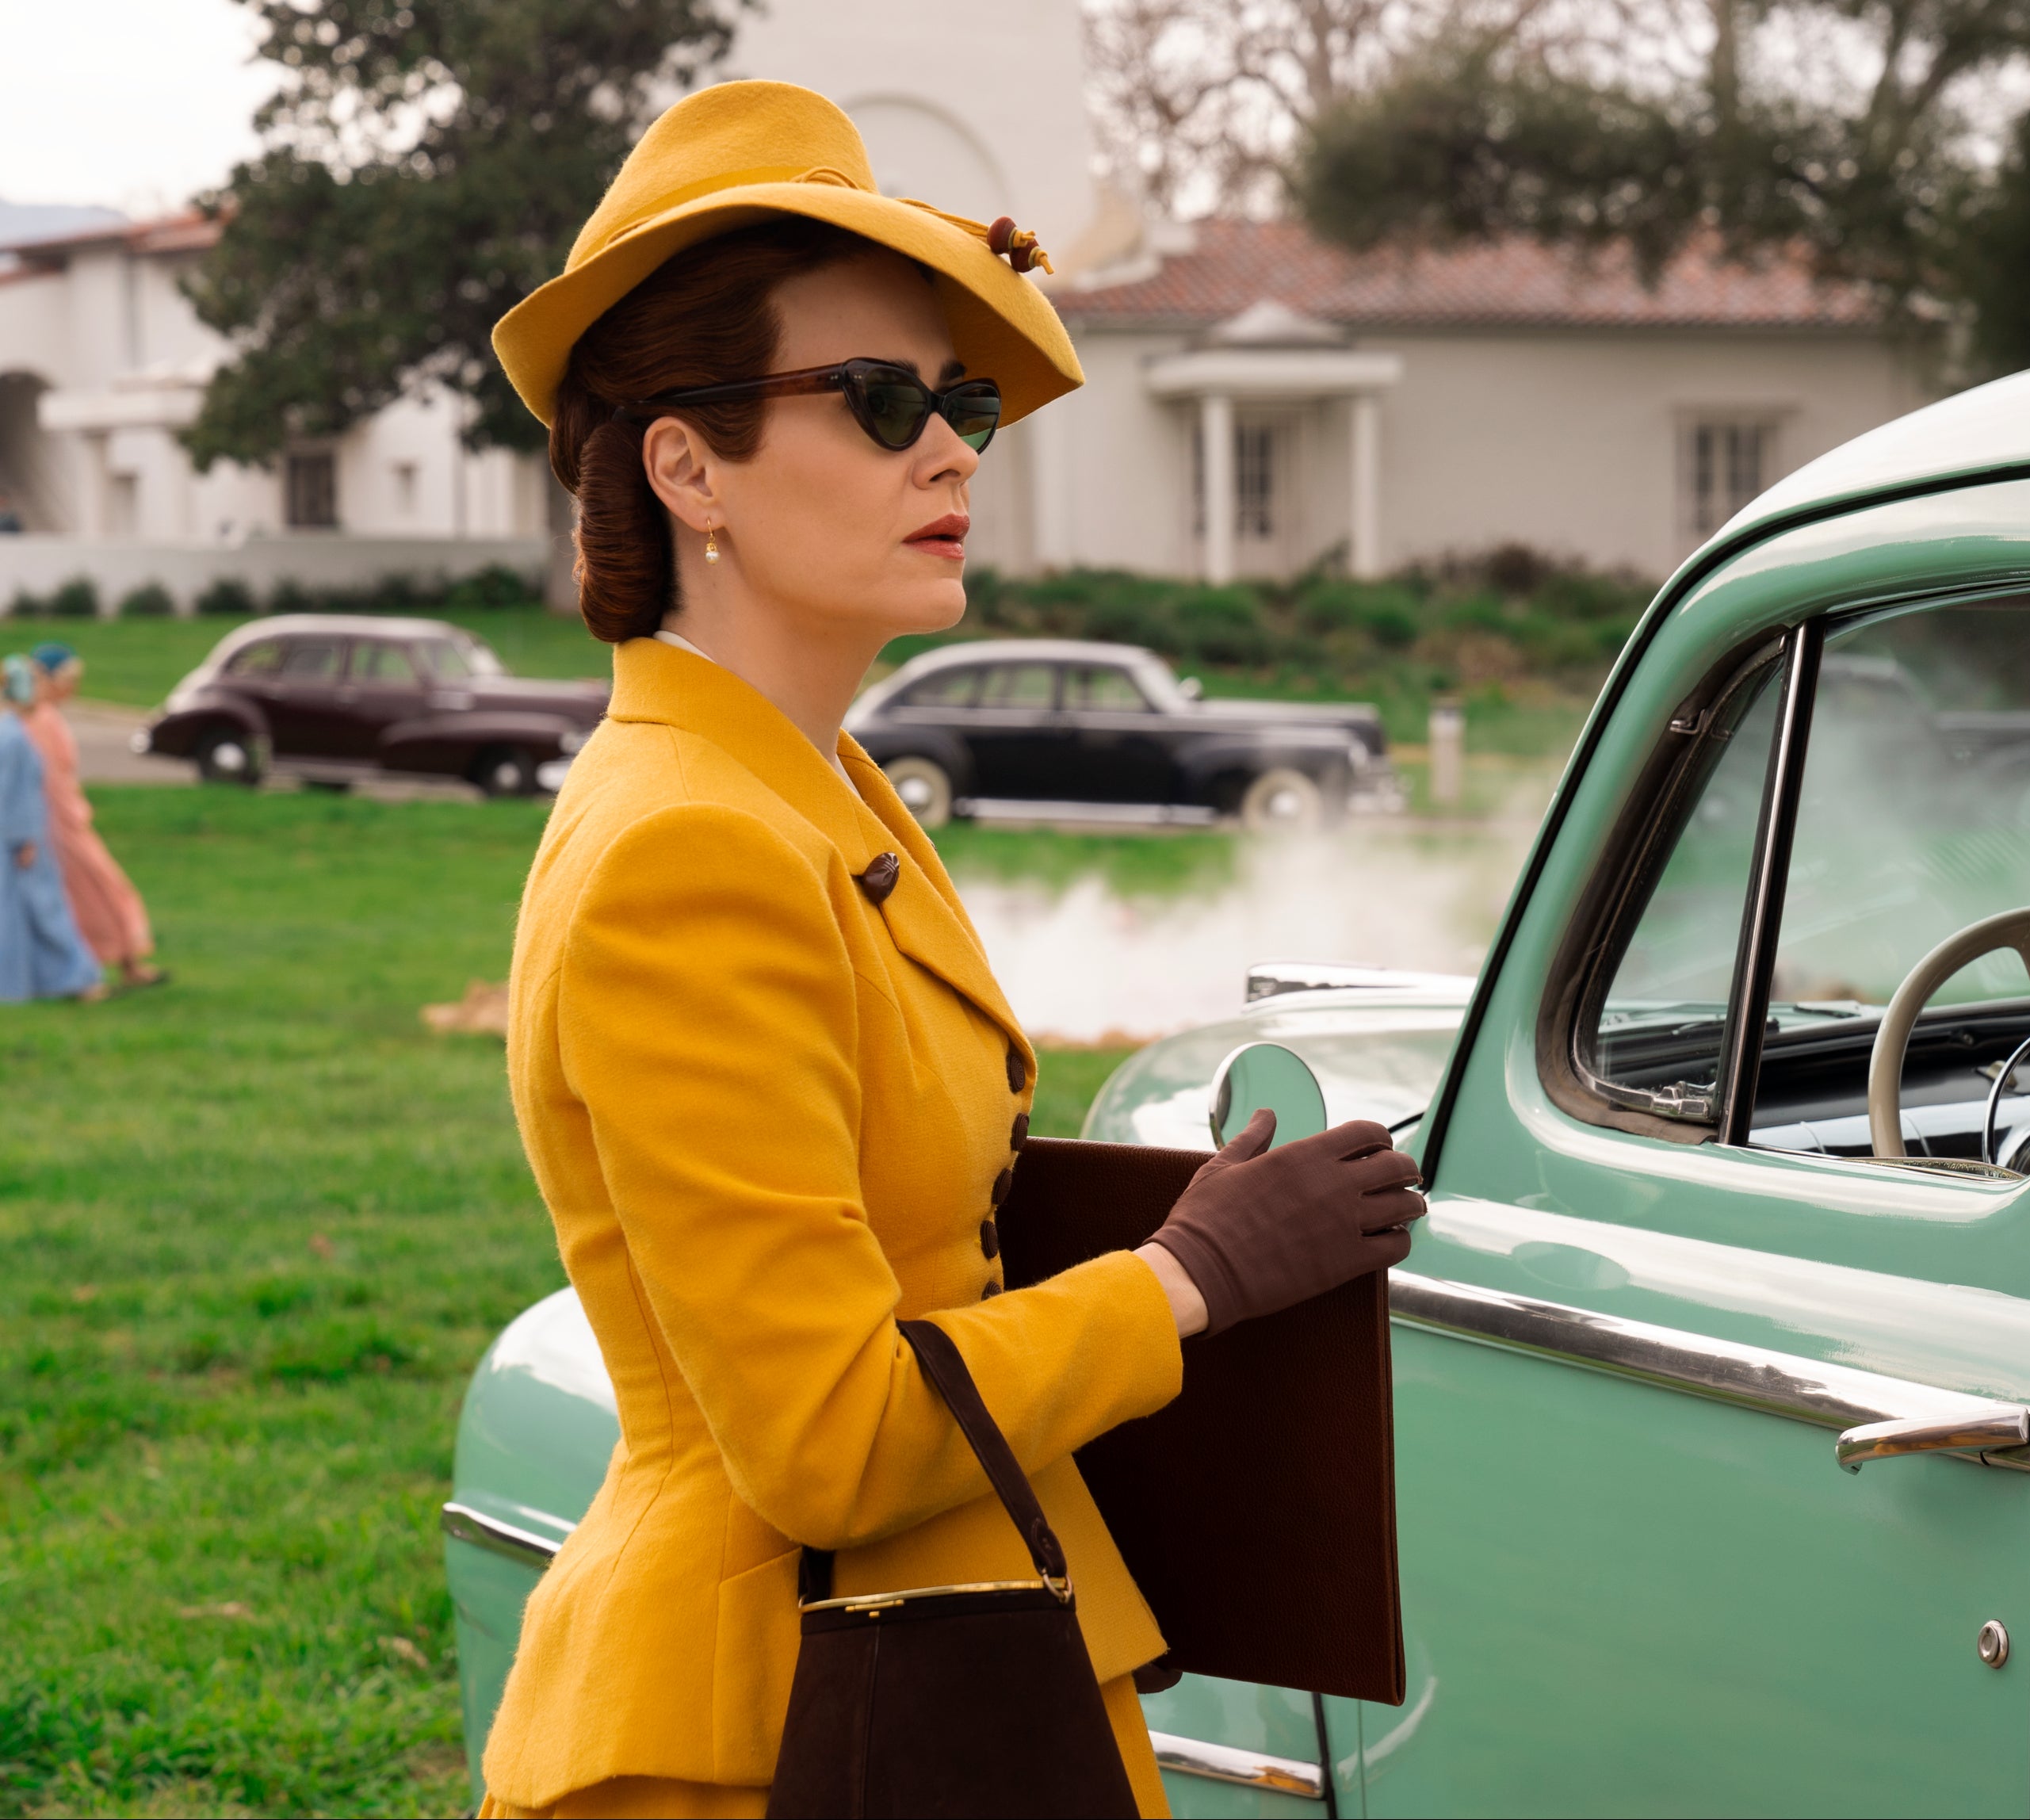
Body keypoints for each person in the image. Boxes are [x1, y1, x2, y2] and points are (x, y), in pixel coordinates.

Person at [476, 82, 1425, 1820]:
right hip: (773, 1724)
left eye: (963, 399)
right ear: (687, 463)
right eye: (882, 399)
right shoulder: (689, 840)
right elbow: (826, 1431)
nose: (953, 450)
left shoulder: (799, 781)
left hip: (944, 1653)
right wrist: (1194, 1274)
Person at [25, 644, 164, 989]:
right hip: (57, 825)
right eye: (70, 679)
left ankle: (122, 964)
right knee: (98, 891)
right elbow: (43, 782)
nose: (75, 687)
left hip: (66, 820)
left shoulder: (46, 717)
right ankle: (101, 969)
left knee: (100, 890)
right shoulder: (38, 720)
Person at [0, 656, 102, 1003]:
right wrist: (23, 837)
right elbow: (13, 793)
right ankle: (75, 980)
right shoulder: (11, 734)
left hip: (17, 838)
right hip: (18, 842)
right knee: (43, 911)